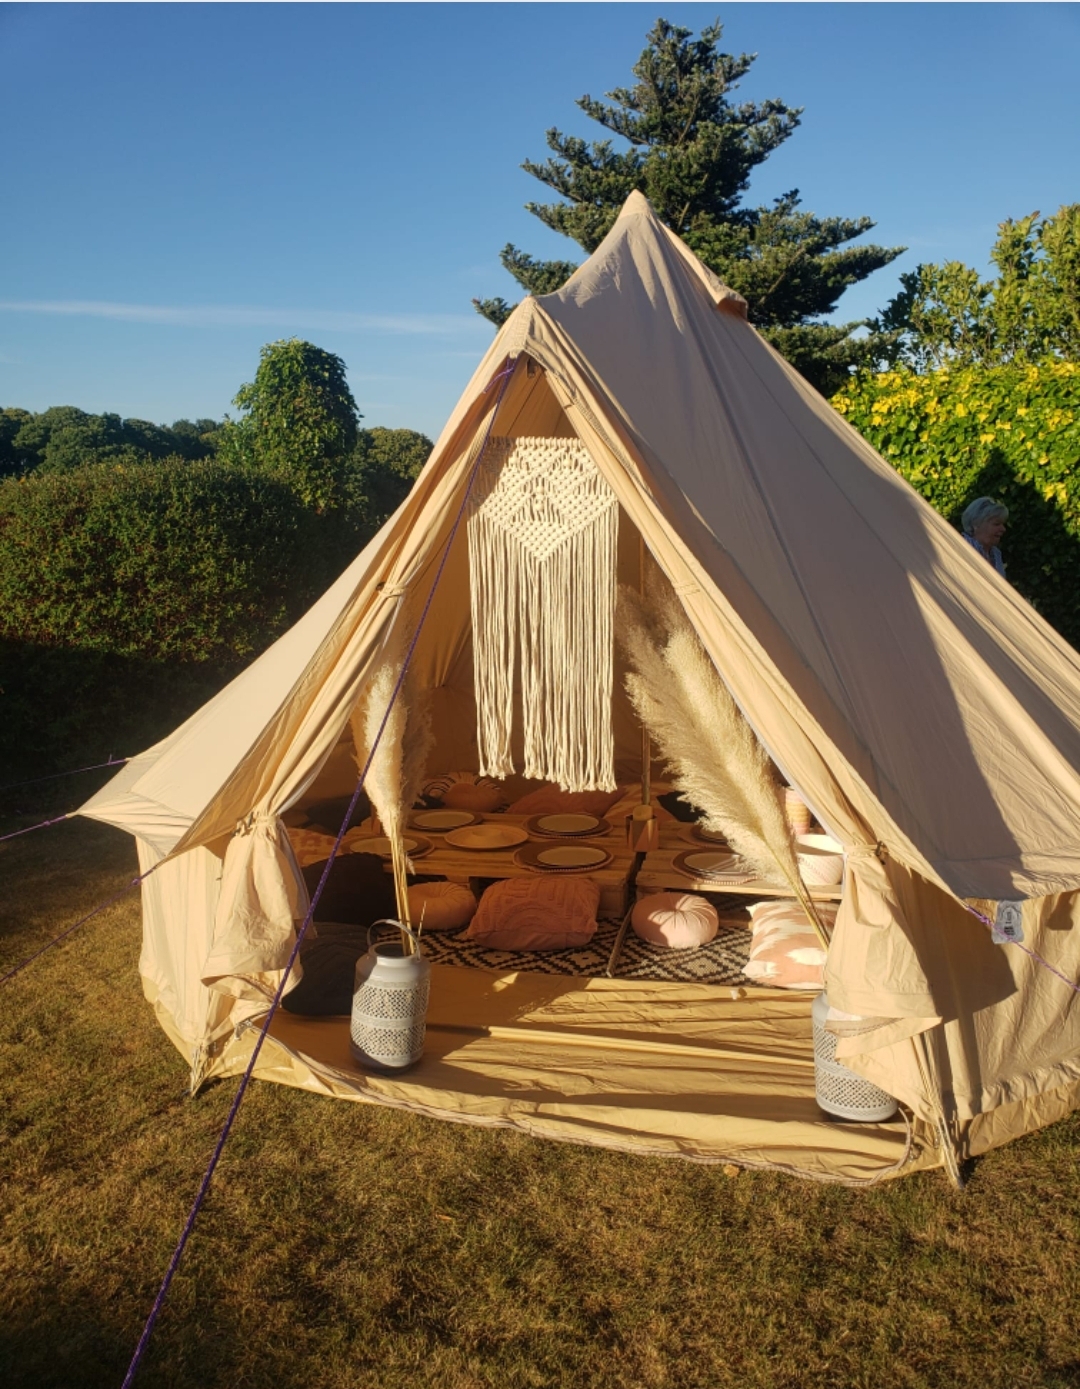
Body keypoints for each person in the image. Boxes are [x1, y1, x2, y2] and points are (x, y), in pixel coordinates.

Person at [960, 497, 1008, 577]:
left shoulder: (996, 554)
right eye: (996, 524)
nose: (1003, 529)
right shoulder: (963, 548)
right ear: (976, 524)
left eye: (1003, 524)